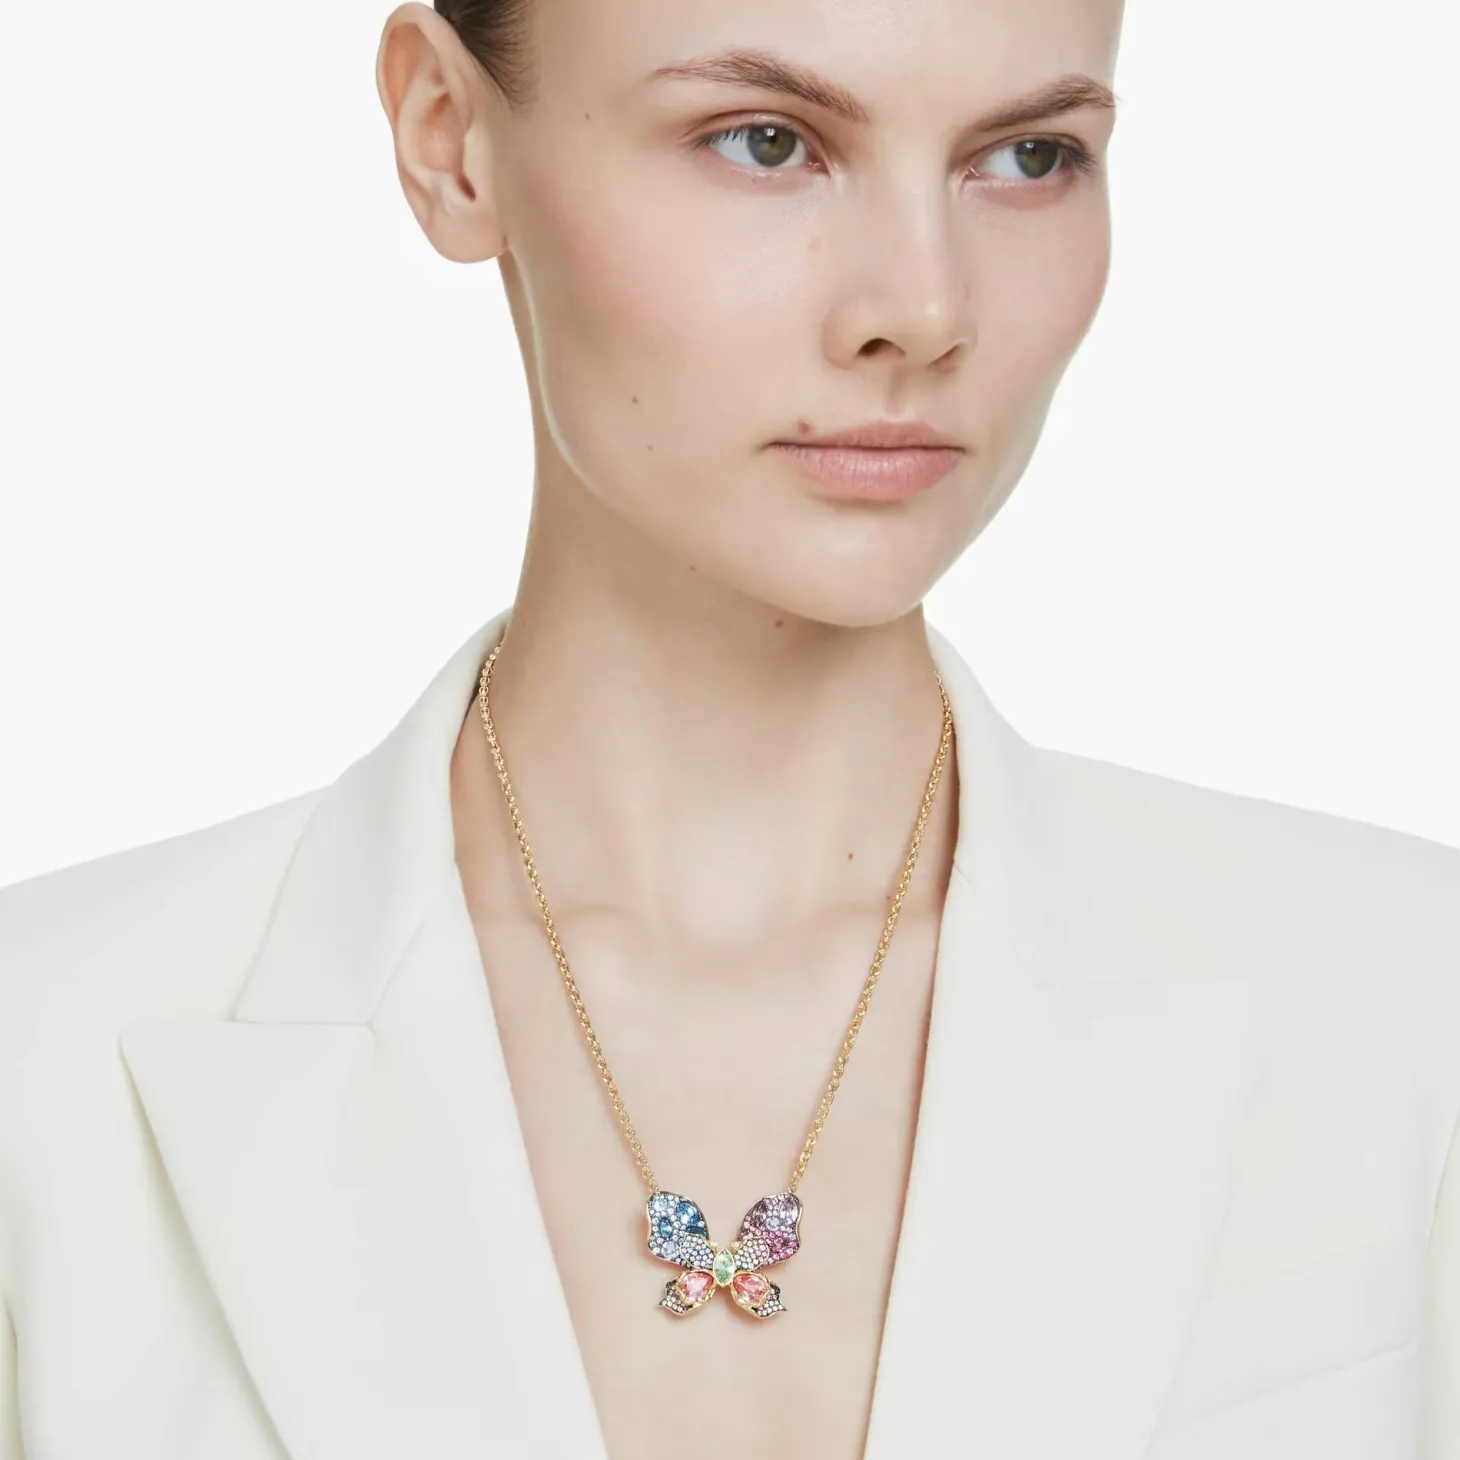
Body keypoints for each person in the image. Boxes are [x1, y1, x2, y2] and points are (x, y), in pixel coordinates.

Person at [2, 0, 1458, 1453]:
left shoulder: (1407, 1006)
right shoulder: (39, 1065)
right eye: (767, 143)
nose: (924, 310)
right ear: (449, 139)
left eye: (1028, 157)